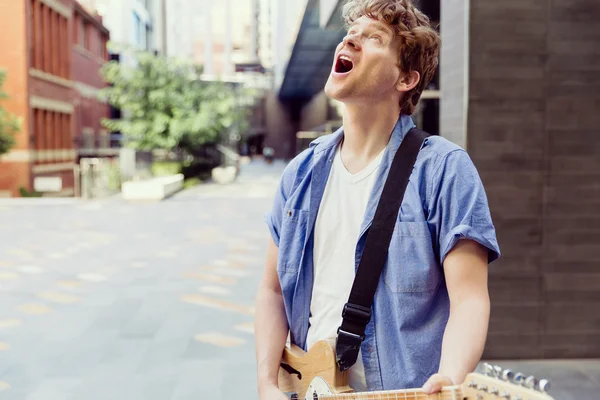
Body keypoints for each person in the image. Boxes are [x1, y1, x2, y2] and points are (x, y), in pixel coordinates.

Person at [254, 0, 500, 398]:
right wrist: (266, 382)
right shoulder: (300, 173)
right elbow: (272, 291)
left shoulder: (443, 169)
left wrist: (450, 375)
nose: (351, 38)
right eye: (351, 33)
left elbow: (469, 298)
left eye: (373, 38)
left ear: (405, 79)